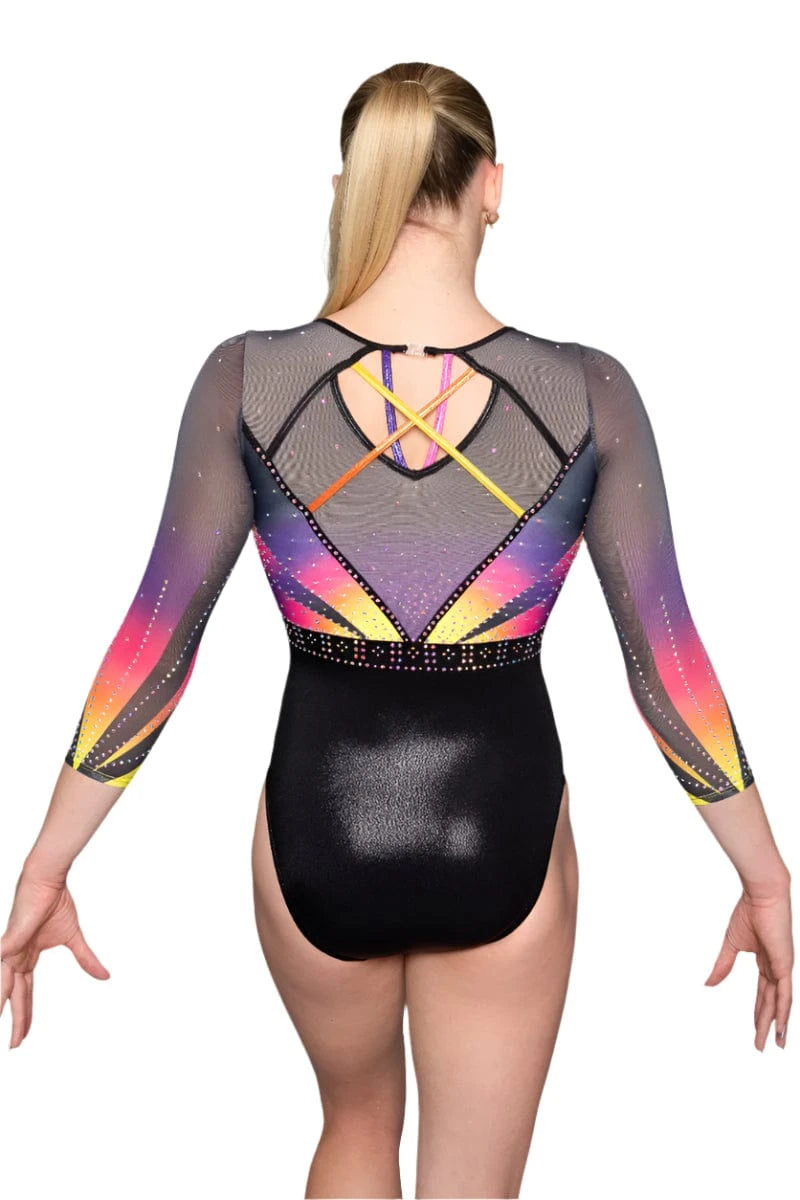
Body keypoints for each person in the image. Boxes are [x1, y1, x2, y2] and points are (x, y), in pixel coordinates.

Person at [0, 60, 793, 1200]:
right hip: (499, 818)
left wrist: (46, 863)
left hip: (316, 819)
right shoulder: (587, 392)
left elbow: (154, 645)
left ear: (348, 189)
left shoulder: (247, 378)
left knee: (355, 1126)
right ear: (493, 186)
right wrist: (762, 877)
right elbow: (668, 668)